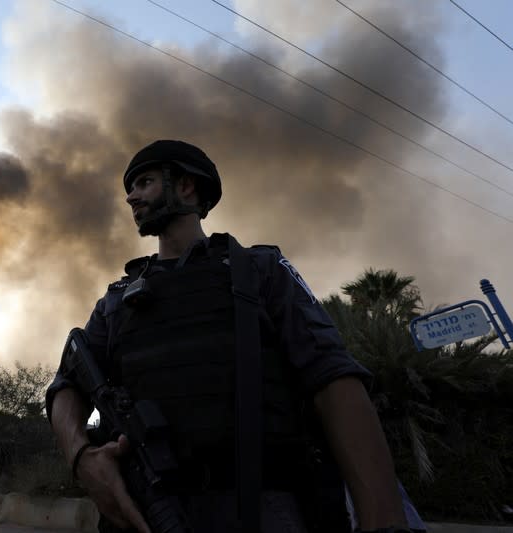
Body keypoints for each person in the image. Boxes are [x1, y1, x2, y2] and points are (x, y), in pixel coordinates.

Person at [47, 140, 419, 533]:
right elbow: (66, 384)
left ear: (187, 187)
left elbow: (333, 380)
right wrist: (82, 457)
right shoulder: (118, 299)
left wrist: (384, 520)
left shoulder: (260, 270)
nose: (130, 196)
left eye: (144, 182)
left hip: (263, 507)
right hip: (147, 509)